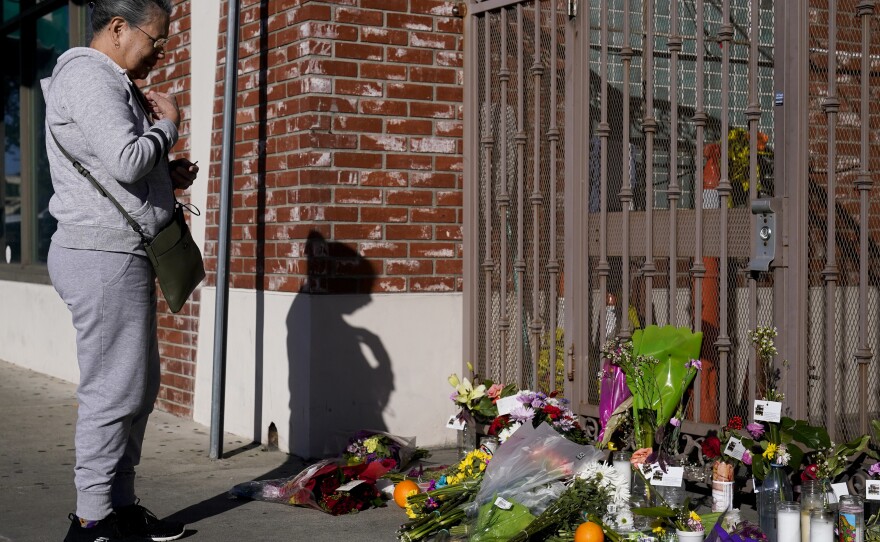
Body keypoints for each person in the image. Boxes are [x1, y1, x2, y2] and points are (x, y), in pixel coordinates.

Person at [42, 1, 196, 540]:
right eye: (156, 38)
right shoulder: (90, 77)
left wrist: (165, 174)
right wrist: (170, 126)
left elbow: (119, 165)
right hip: (100, 255)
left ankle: (119, 505)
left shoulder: (109, 80)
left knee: (139, 386)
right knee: (114, 392)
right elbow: (128, 159)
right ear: (117, 28)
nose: (161, 50)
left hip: (116, 250)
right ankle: (90, 520)